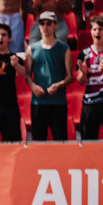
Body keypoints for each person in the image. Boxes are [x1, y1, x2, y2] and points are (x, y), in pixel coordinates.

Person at [26, 10, 73, 140]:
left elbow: (70, 76)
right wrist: (34, 87)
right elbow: (27, 75)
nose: (45, 27)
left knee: (60, 140)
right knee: (38, 141)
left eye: (48, 23)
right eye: (42, 23)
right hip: (38, 102)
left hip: (58, 102)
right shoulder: (32, 49)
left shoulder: (64, 49)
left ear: (55, 25)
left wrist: (58, 85)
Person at [75, 15, 103, 140]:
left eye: (101, 29)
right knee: (88, 141)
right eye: (95, 29)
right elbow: (81, 81)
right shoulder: (84, 54)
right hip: (90, 103)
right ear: (90, 32)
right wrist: (84, 73)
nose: (98, 32)